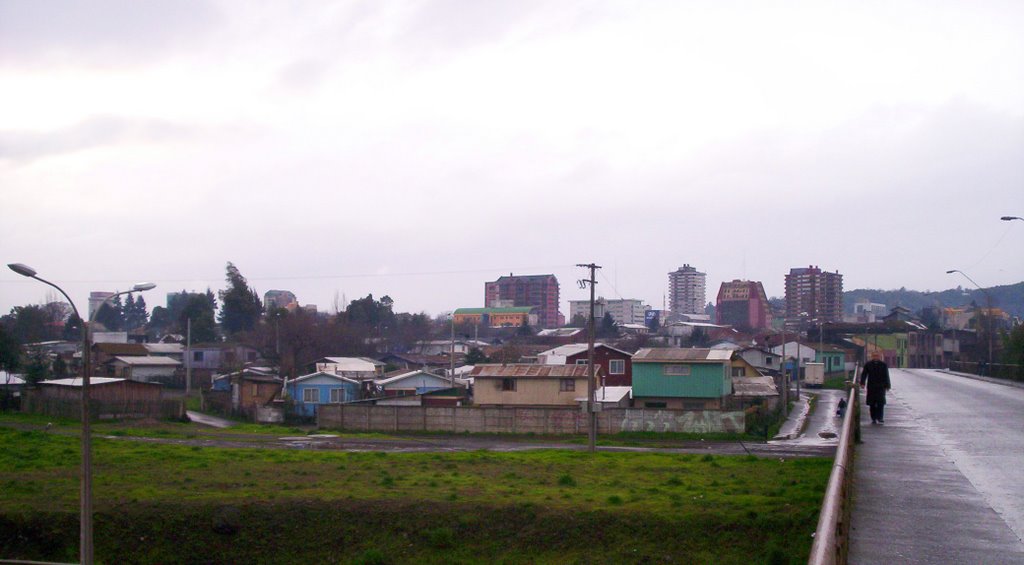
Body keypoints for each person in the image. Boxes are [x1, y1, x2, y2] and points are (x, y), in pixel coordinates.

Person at [860, 352, 891, 424]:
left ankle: (880, 418)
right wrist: (862, 383)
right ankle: (873, 418)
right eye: (874, 356)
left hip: (881, 387)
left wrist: (888, 385)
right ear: (872, 356)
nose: (875, 357)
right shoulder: (868, 364)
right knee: (872, 403)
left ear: (879, 356)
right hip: (871, 386)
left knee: (881, 403)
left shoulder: (883, 365)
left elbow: (886, 375)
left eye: (877, 356)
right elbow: (864, 374)